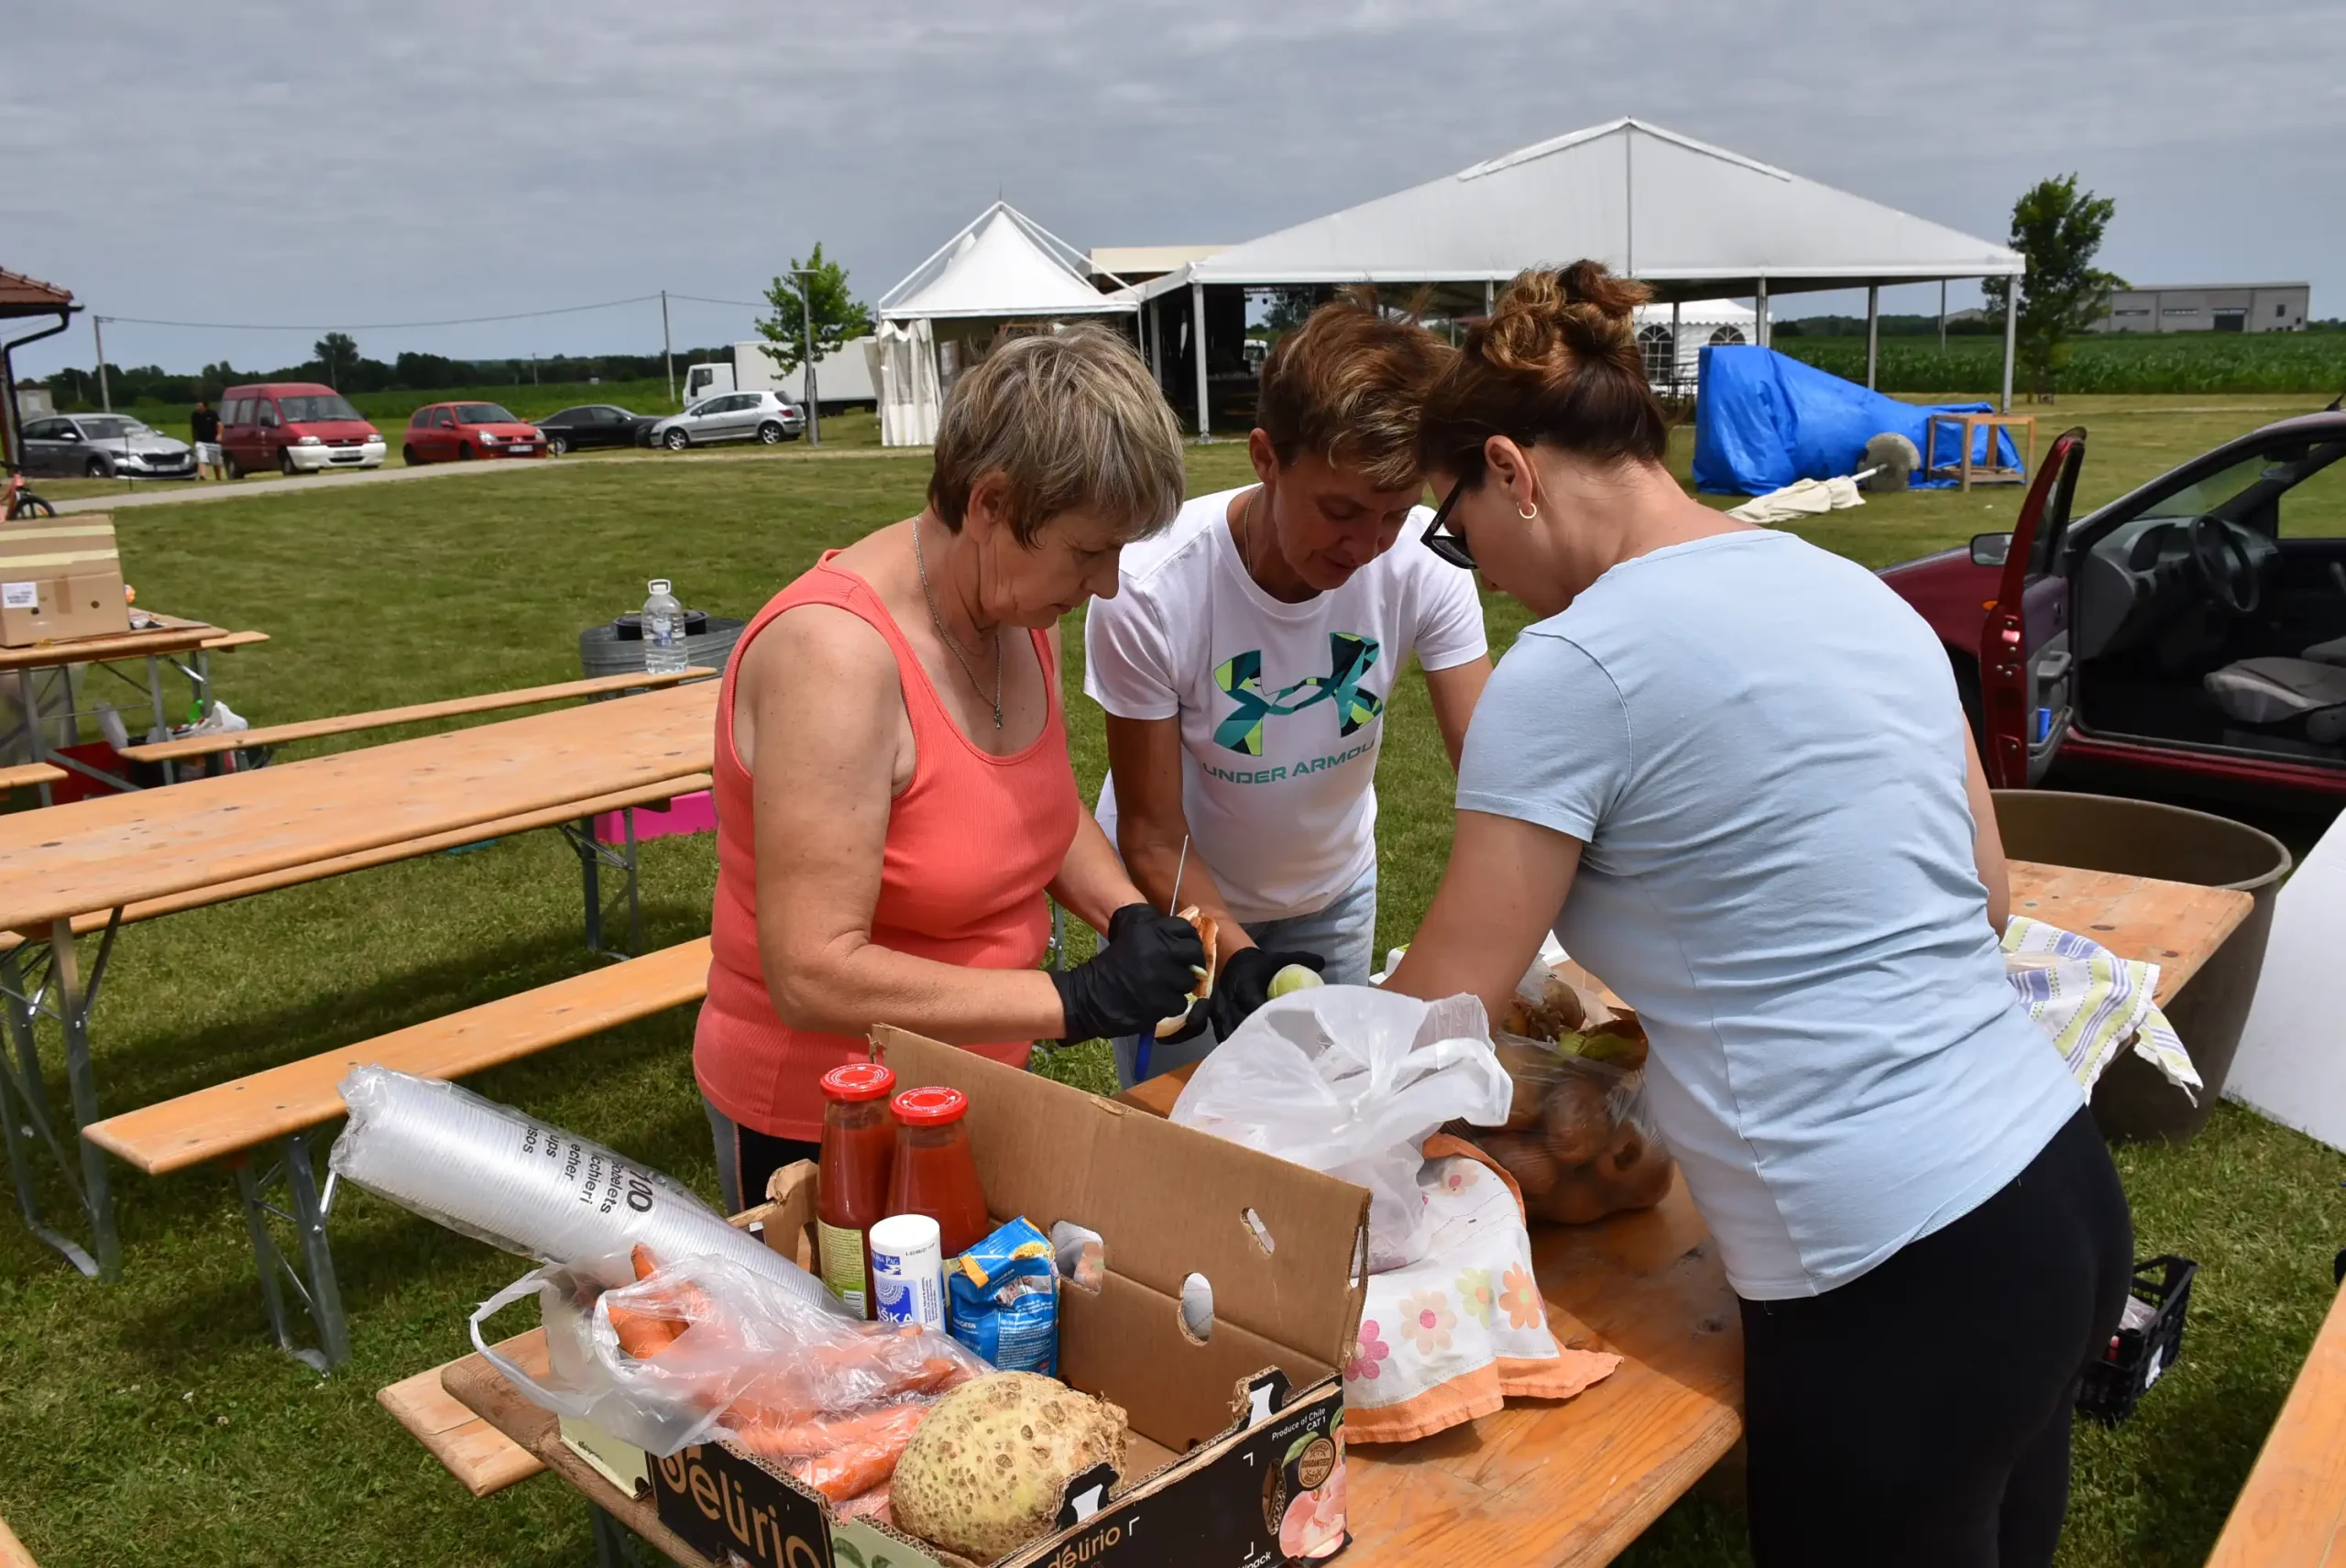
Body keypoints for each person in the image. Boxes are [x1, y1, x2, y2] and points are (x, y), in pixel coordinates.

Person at [1385, 263, 2131, 1568]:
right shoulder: (1844, 584)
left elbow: (1445, 1006)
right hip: (2054, 1190)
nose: (1479, 577)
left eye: (1452, 534)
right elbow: (1987, 894)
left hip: (1890, 1271)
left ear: (1508, 467)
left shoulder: (1569, 668)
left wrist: (1268, 1107)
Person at [693, 328, 1208, 1212]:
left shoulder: (1014, 607)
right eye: (1089, 552)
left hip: (972, 1085)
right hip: (827, 1125)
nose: (1110, 585)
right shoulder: (837, 657)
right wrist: (1071, 999)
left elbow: (1026, 800)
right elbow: (812, 973)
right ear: (994, 504)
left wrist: (1123, 912)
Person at [1084, 299, 1491, 1087]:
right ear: (1266, 456)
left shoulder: (1424, 565)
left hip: (1334, 891)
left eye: (1393, 515)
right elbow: (1151, 836)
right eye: (1338, 510)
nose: (1365, 547)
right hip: (1179, 897)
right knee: (1188, 1138)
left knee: (1329, 1128)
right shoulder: (1152, 590)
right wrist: (1236, 957)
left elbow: (1491, 771)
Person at [190, 399, 224, 481]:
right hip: (201, 442)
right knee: (202, 458)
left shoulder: (212, 414)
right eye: (197, 405)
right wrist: (195, 438)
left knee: (216, 461)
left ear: (204, 406)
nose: (197, 407)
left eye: (199, 405)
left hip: (213, 441)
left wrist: (219, 435)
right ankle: (203, 476)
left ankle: (218, 477)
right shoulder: (194, 415)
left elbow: (219, 424)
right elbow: (194, 428)